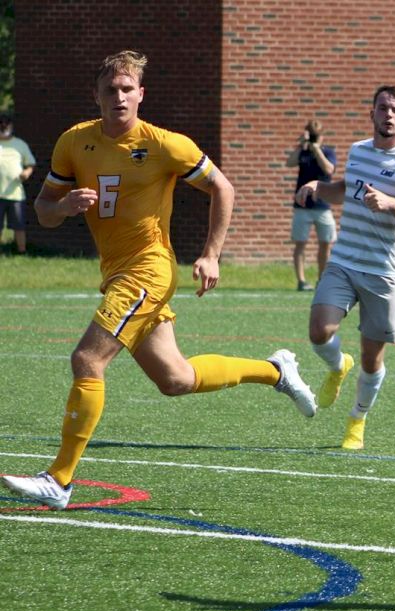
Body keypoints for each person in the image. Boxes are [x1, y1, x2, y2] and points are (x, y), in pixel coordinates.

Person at [0, 51, 317, 510]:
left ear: (141, 95)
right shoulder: (74, 142)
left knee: (88, 360)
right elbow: (43, 212)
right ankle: (276, 371)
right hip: (116, 273)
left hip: (150, 270)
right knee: (176, 378)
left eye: (128, 89)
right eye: (110, 90)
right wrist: (64, 207)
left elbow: (222, 188)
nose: (119, 97)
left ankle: (59, 480)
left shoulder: (167, 144)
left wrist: (211, 254)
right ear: (97, 96)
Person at [295, 85, 395, 451]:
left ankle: (357, 418)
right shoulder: (357, 151)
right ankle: (338, 365)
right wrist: (318, 188)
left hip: (380, 271)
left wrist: (390, 203)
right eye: (382, 107)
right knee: (319, 331)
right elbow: (346, 188)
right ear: (371, 113)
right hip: (344, 260)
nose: (388, 114)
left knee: (373, 360)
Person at [286, 119, 337, 291]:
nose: (315, 139)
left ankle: (322, 279)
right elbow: (289, 163)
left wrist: (316, 149)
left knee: (326, 243)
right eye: (312, 135)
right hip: (302, 206)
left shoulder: (328, 151)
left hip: (323, 206)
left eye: (316, 135)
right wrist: (301, 146)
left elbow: (329, 169)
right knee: (300, 243)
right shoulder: (303, 151)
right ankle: (301, 281)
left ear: (322, 135)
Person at [0, 112, 36, 254]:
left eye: (6, 123)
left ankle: (21, 251)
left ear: (11, 126)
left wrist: (26, 173)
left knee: (19, 225)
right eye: (1, 123)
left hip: (15, 193)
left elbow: (31, 164)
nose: (4, 126)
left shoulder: (20, 144)